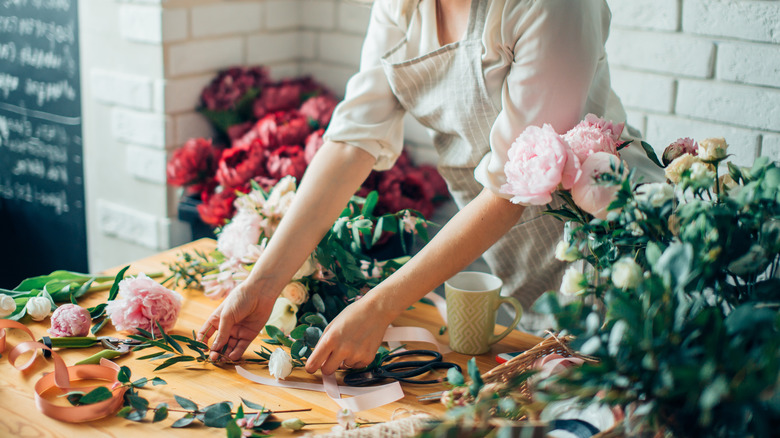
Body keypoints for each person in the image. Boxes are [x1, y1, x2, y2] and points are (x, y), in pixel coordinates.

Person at [198, 0, 650, 375]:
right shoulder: (400, 6)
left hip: (609, 247)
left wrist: (380, 307)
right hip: (514, 258)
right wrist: (262, 284)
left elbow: (511, 187)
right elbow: (353, 138)